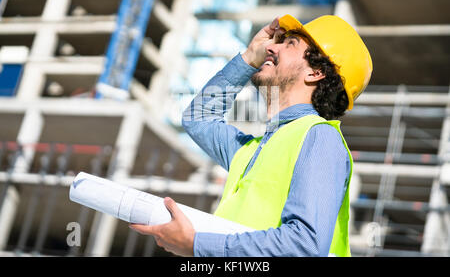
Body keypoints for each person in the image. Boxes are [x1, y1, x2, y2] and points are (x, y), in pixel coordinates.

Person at [130, 14, 373, 257]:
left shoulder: (320, 138)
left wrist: (198, 245)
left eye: (289, 44)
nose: (271, 46)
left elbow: (305, 245)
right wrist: (248, 57)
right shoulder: (254, 149)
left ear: (316, 72)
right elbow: (199, 117)